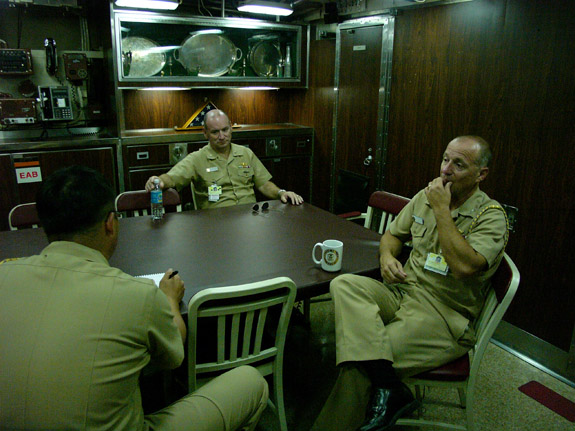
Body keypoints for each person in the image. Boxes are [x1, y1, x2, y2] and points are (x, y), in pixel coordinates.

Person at [0, 166, 269, 431]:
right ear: (110, 223)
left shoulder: (4, 274)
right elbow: (172, 356)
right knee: (251, 381)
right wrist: (170, 301)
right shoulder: (135, 293)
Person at [312, 136, 509, 431]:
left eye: (459, 164)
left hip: (442, 314)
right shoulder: (425, 195)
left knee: (357, 366)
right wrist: (387, 258)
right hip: (403, 290)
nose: (446, 170)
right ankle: (391, 387)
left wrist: (442, 210)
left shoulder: (491, 217)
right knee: (344, 284)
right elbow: (392, 235)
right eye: (445, 159)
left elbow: (465, 267)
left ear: (481, 174)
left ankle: (373, 389)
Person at [145, 109, 304, 209]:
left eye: (225, 130)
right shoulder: (197, 159)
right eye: (215, 132)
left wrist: (281, 193)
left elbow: (263, 184)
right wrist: (158, 180)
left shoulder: (245, 153)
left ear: (231, 128)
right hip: (216, 223)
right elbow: (172, 178)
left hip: (251, 218)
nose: (222, 136)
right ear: (205, 133)